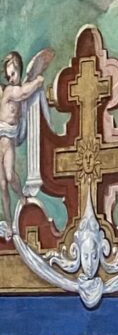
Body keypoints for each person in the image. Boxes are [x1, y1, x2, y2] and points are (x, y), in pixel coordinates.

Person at [0, 49, 51, 232]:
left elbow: (24, 97)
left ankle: (21, 196)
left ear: (19, 71)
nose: (11, 77)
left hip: (9, 142)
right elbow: (22, 93)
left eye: (13, 73)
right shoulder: (10, 91)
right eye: (8, 74)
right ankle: (8, 222)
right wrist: (37, 82)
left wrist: (35, 81)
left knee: (9, 175)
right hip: (1, 139)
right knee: (2, 184)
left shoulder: (16, 89)